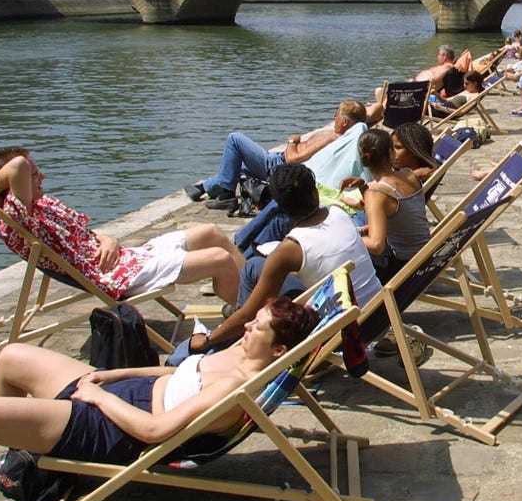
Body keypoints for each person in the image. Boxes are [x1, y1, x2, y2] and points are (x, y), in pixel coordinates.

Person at [0, 299, 320, 501]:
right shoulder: (239, 353)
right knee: (11, 357)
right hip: (123, 393)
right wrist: (112, 374)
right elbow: (171, 371)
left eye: (257, 326)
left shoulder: (234, 388)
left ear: (279, 350)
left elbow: (155, 432)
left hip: (116, 429)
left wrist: (100, 399)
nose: (246, 325)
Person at [170, 164, 381, 365]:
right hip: (377, 314)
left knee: (253, 268)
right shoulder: (338, 213)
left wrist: (209, 339)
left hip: (338, 332)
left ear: (279, 206)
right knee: (259, 268)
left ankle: (230, 348)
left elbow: (248, 314)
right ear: (315, 194)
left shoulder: (290, 249)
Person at [0, 147, 244, 305]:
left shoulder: (43, 204)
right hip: (117, 275)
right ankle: (246, 314)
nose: (42, 177)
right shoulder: (20, 219)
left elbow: (85, 232)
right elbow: (17, 166)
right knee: (219, 259)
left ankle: (255, 292)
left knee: (211, 232)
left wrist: (109, 241)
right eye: (34, 174)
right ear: (11, 186)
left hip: (129, 257)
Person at [185, 100, 368, 209]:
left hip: (277, 166)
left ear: (344, 122)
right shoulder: (342, 140)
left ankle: (226, 195)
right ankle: (206, 188)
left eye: (335, 114)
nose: (333, 117)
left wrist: (292, 141)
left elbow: (292, 158)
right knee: (235, 164)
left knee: (235, 140)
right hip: (279, 163)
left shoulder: (331, 138)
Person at [340, 129, 430, 283]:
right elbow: (400, 218)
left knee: (341, 247)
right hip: (425, 254)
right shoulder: (410, 175)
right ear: (390, 153)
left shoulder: (376, 193)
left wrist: (344, 236)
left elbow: (376, 246)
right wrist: (363, 187)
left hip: (402, 265)